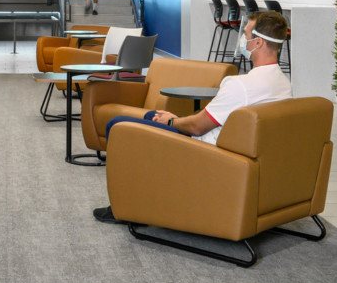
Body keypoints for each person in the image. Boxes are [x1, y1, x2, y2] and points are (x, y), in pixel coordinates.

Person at [91, 11, 293, 224]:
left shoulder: (240, 85)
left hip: (206, 151)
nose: (242, 40)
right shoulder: (283, 83)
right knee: (152, 115)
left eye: (246, 34)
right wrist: (173, 118)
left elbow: (197, 127)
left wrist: (171, 121)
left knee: (117, 125)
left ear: (258, 43)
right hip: (234, 146)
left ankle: (123, 207)